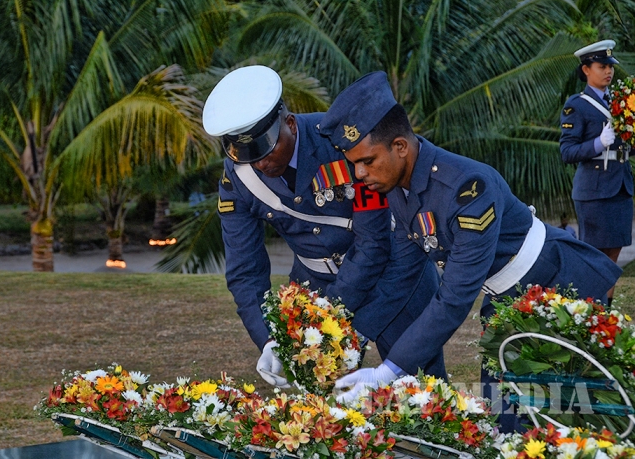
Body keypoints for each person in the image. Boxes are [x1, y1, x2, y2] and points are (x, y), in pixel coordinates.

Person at [318, 71, 621, 427]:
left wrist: (389, 369)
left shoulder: (466, 188)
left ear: (400, 147)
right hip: (505, 300)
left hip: (556, 284)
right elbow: (401, 273)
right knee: (505, 422)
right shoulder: (400, 190)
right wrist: (351, 334)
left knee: (575, 419)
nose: (358, 174)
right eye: (354, 163)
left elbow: (455, 296)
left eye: (367, 161)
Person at [202, 65, 443, 388]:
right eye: (246, 154)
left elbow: (373, 242)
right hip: (314, 287)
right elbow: (245, 270)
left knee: (420, 390)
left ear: (289, 124)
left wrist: (332, 315)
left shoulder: (341, 142)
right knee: (322, 404)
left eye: (265, 148)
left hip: (393, 275)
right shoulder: (238, 177)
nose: (259, 163)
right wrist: (269, 338)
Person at [560, 40, 633, 305]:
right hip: (594, 190)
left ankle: (604, 312)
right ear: (586, 69)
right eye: (602, 66)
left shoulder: (622, 101)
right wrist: (598, 143)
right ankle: (589, 310)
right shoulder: (577, 105)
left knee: (613, 255)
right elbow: (567, 152)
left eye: (610, 66)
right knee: (594, 255)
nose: (608, 71)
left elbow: (627, 145)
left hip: (621, 186)